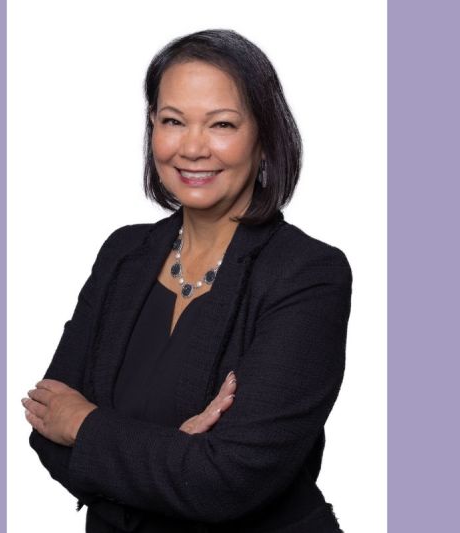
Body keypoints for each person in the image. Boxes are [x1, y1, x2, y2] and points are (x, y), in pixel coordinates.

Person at [23, 29, 352, 532]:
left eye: (221, 124)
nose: (192, 147)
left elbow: (226, 480)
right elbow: (46, 421)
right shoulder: (123, 253)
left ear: (264, 138)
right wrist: (176, 455)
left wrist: (85, 424)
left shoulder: (307, 274)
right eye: (172, 121)